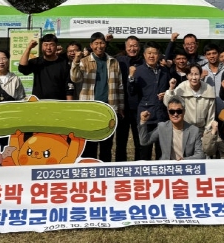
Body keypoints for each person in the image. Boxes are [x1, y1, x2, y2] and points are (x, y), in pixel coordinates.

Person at [70, 32, 124, 162]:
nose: (99, 46)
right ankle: (90, 169)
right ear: (91, 45)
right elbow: (75, 78)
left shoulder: (113, 61)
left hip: (109, 108)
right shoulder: (84, 61)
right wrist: (76, 61)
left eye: (102, 43)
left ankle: (105, 170)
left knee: (107, 145)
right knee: (90, 145)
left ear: (105, 44)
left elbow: (120, 85)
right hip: (90, 110)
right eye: (96, 43)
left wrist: (121, 107)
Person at [129, 41, 170, 160]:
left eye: (155, 53)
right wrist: (131, 77)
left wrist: (166, 94)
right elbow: (131, 92)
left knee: (162, 152)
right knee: (144, 151)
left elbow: (170, 90)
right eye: (149, 53)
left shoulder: (164, 71)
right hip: (146, 116)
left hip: (162, 116)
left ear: (159, 55)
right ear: (144, 55)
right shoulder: (138, 71)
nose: (152, 56)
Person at [139, 97, 205, 160]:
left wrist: (184, 160)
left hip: (185, 165)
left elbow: (200, 154)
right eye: (172, 111)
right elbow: (144, 141)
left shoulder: (194, 130)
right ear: (168, 112)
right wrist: (143, 122)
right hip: (167, 165)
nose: (175, 114)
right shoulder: (162, 127)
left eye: (179, 111)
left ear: (184, 112)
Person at [114, 36, 143, 162]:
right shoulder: (118, 61)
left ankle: (139, 166)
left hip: (139, 107)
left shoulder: (144, 62)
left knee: (139, 141)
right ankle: (120, 167)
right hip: (122, 107)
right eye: (130, 46)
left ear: (139, 47)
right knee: (121, 142)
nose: (132, 49)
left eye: (135, 46)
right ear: (125, 48)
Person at [164, 63, 215, 133]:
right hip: (184, 129)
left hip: (201, 130)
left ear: (200, 75)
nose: (194, 78)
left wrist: (207, 132)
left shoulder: (208, 89)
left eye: (196, 74)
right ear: (187, 76)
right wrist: (171, 89)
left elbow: (211, 115)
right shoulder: (181, 88)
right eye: (191, 74)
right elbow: (168, 103)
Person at [18, 34, 69, 100]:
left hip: (59, 102)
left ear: (56, 46)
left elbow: (68, 86)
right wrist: (29, 48)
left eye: (51, 45)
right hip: (39, 101)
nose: (48, 48)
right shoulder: (37, 62)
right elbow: (22, 68)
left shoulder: (64, 63)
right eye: (45, 45)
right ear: (41, 46)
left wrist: (69, 103)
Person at [201, 43, 224, 116]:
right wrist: (201, 79)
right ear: (205, 56)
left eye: (214, 53)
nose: (212, 56)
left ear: (219, 54)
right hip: (208, 111)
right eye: (209, 54)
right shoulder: (201, 70)